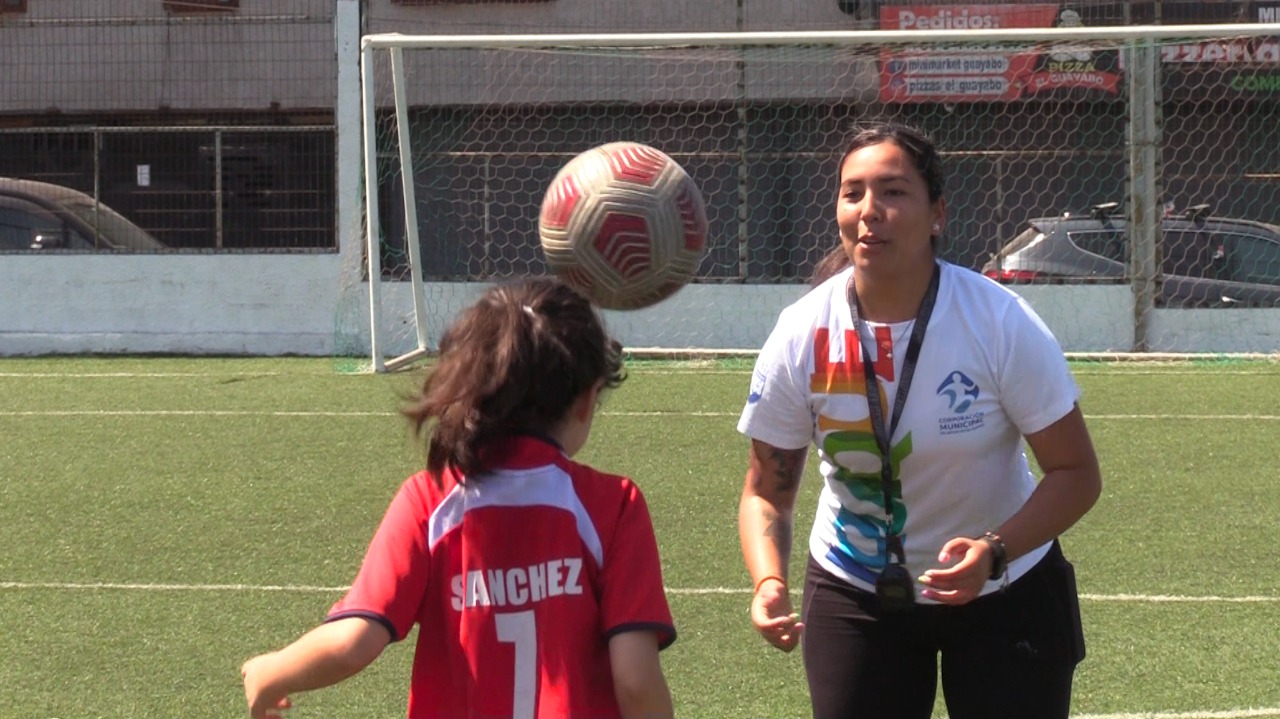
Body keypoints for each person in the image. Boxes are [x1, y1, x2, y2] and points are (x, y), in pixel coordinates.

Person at [737, 122, 1101, 719]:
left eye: (893, 192)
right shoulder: (801, 333)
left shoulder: (998, 321)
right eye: (852, 192)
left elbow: (1076, 473)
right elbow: (765, 493)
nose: (869, 210)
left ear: (937, 214)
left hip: (1005, 586)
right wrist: (767, 581)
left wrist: (994, 550)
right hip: (856, 589)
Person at [241, 277, 676, 719]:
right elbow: (636, 682)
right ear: (587, 399)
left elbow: (355, 641)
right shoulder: (614, 504)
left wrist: (271, 672)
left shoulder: (428, 501)